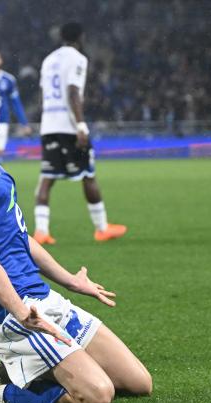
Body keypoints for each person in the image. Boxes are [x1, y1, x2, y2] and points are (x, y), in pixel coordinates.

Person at [0, 58, 152, 403]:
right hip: (8, 311)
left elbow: (20, 238)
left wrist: (71, 281)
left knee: (138, 383)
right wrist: (20, 310)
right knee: (97, 395)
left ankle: (11, 371)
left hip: (42, 298)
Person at [34, 22, 126, 245]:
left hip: (49, 125)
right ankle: (102, 228)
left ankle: (41, 231)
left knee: (47, 177)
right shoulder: (77, 58)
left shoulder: (48, 60)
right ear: (80, 37)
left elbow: (43, 93)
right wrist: (81, 125)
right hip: (68, 126)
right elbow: (73, 91)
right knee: (88, 174)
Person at [0, 50, 32, 162]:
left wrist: (24, 123)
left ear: (0, 61)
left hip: (1, 121)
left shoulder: (9, 79)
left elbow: (16, 103)